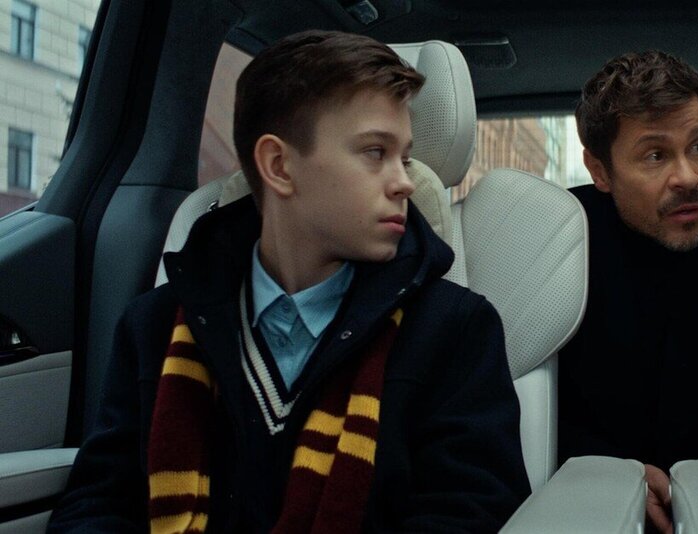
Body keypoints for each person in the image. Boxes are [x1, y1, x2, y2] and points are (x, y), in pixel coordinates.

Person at [48, 30, 530, 532]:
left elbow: (471, 514)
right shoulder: (154, 327)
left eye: (403, 157)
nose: (405, 181)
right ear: (279, 166)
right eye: (374, 152)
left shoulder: (455, 331)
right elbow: (98, 505)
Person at [558, 50, 698, 533]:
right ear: (599, 170)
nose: (688, 177)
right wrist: (619, 474)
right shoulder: (557, 240)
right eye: (655, 155)